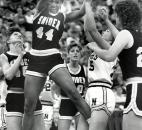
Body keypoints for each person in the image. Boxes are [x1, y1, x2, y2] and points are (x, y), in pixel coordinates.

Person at [23, 0, 91, 130]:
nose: (54, 4)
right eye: (52, 2)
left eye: (57, 2)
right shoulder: (39, 12)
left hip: (53, 56)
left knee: (74, 93)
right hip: (36, 57)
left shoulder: (62, 16)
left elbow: (82, 11)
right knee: (28, 106)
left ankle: (95, 126)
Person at [85, 1, 142, 130]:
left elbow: (109, 55)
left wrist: (94, 47)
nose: (115, 18)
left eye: (116, 15)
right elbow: (119, 35)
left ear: (122, 16)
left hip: (136, 89)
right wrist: (106, 20)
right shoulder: (136, 36)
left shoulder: (125, 34)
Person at [0, 27, 45, 130]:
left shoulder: (30, 55)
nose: (19, 35)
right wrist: (20, 56)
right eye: (16, 34)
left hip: (31, 96)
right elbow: (8, 75)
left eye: (20, 35)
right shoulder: (4, 56)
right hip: (14, 97)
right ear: (8, 41)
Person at [52, 42, 87, 130]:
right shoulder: (63, 69)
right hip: (66, 103)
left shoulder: (85, 69)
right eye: (72, 51)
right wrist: (56, 109)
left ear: (80, 54)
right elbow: (54, 89)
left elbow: (87, 88)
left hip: (80, 104)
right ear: (68, 54)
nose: (75, 53)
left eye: (77, 51)